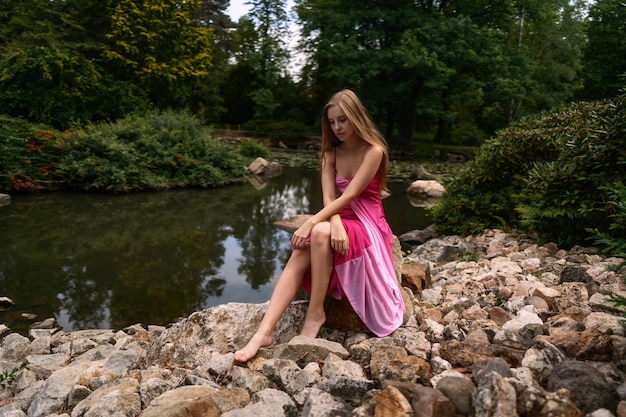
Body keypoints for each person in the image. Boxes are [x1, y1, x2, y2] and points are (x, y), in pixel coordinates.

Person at [234, 89, 404, 362]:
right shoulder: (330, 154)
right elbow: (329, 197)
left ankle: (315, 315)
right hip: (338, 216)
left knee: (317, 231)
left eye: (343, 120)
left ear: (356, 117)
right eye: (332, 122)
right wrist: (333, 222)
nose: (337, 127)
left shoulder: (374, 151)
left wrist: (314, 221)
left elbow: (350, 196)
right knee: (302, 249)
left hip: (367, 222)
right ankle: (263, 332)